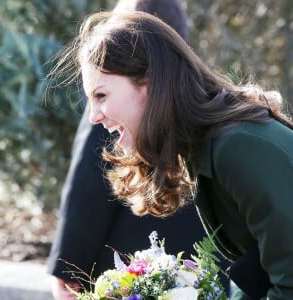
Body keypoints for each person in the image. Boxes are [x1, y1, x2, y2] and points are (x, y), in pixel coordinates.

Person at [51, 10, 293, 299]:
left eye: (101, 96)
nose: (93, 116)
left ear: (150, 84)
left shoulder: (237, 147)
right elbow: (259, 270)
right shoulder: (210, 147)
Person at [47, 1, 217, 299]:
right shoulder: (196, 103)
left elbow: (88, 184)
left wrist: (68, 267)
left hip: (130, 264)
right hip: (196, 268)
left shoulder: (115, 101)